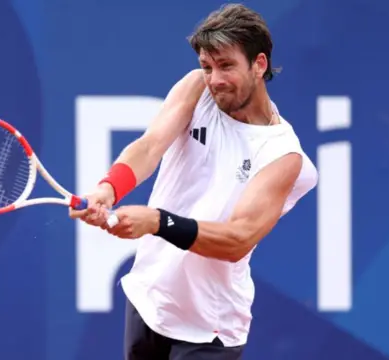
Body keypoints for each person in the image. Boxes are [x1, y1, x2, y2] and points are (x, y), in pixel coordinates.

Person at [69, 3, 318, 359]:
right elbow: (150, 146)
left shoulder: (283, 156)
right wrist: (108, 189)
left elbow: (236, 239)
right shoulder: (196, 89)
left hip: (208, 327)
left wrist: (157, 221)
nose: (214, 78)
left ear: (259, 64)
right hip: (149, 298)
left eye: (227, 65)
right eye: (207, 66)